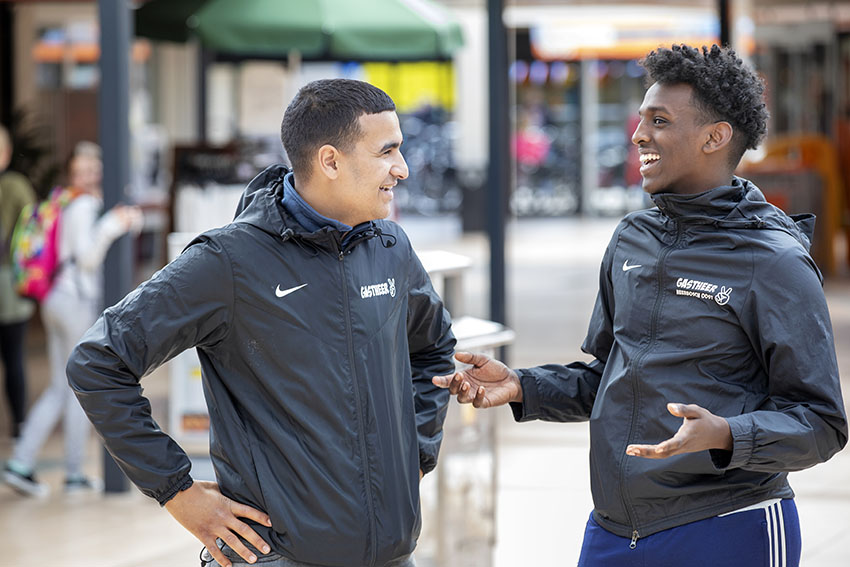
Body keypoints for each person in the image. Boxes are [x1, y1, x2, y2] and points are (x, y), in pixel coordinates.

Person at [434, 44, 847, 567]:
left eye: (659, 120)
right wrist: (524, 386)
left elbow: (821, 422)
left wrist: (725, 435)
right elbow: (607, 377)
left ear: (714, 137)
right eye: (640, 119)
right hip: (613, 531)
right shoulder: (632, 239)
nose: (638, 135)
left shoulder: (773, 259)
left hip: (729, 526)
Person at [65, 79, 455, 567]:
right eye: (387, 152)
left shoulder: (390, 248)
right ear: (330, 161)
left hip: (394, 554)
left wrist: (413, 456)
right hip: (278, 555)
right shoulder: (228, 261)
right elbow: (98, 362)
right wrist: (177, 492)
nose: (403, 168)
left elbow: (434, 350)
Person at [4, 141, 142, 497]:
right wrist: (113, 225)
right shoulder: (83, 206)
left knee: (59, 387)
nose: (88, 176)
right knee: (80, 387)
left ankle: (26, 463)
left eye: (92, 170)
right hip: (73, 302)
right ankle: (68, 472)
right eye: (82, 171)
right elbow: (86, 259)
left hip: (55, 299)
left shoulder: (64, 202)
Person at [0, 124, 36, 439]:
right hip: (10, 283)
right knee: (14, 357)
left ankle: (20, 423)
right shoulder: (16, 185)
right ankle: (20, 425)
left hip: (8, 282)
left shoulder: (13, 185)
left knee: (13, 358)